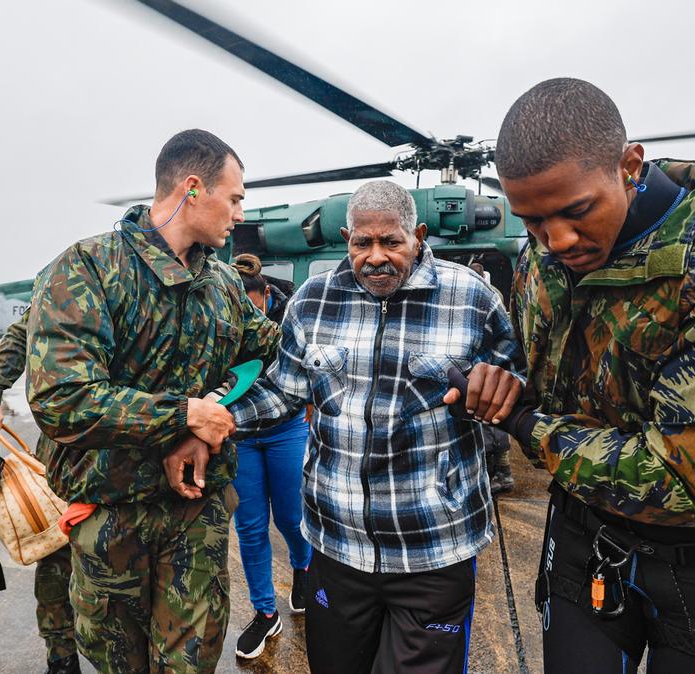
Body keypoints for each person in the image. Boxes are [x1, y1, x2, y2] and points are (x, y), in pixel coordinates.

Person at [484, 78, 695, 673]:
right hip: (581, 543)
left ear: (629, 165)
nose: (556, 240)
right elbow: (539, 372)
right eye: (532, 220)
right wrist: (498, 383)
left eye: (577, 211)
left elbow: (689, 482)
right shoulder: (544, 260)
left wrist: (527, 426)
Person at [222, 180, 525, 673]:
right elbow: (284, 389)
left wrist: (497, 394)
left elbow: (513, 380)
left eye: (392, 242)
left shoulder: (472, 298)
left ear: (419, 235)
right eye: (362, 243)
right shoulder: (312, 301)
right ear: (347, 238)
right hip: (337, 544)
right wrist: (211, 421)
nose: (376, 257)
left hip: (435, 546)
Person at [26, 129, 280, 673]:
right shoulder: (89, 268)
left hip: (196, 512)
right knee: (119, 661)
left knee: (192, 663)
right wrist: (184, 415)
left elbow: (261, 355)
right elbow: (62, 399)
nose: (240, 213)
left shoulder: (224, 284)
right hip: (111, 513)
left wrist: (203, 421)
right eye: (234, 198)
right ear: (192, 188)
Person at [0, 311, 79, 674]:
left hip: (148, 443)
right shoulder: (78, 267)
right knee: (56, 550)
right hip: (70, 441)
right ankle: (61, 656)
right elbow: (23, 331)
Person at [227, 254, 313, 659]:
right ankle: (264, 612)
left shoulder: (289, 321)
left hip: (286, 429)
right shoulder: (216, 319)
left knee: (292, 516)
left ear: (265, 296)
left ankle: (304, 568)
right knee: (250, 526)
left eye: (251, 304)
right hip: (239, 437)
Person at [467, 260, 516, 497]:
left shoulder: (484, 294)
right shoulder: (493, 291)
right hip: (487, 365)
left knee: (490, 421)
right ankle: (499, 472)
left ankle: (501, 474)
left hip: (485, 365)